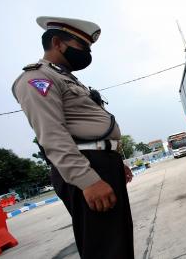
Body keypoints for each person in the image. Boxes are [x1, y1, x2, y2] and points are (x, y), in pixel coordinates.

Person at [12, 16, 134, 258]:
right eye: (83, 47)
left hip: (101, 163)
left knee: (118, 241)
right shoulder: (37, 79)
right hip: (85, 166)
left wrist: (115, 161)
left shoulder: (65, 77)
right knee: (106, 248)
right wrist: (87, 180)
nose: (87, 54)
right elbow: (52, 135)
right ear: (57, 43)